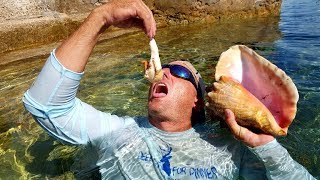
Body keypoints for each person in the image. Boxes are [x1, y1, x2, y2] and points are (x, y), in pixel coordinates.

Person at [22, 0, 315, 179]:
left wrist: (265, 146)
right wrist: (100, 18)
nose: (163, 72)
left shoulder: (229, 149)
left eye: (179, 71)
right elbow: (45, 105)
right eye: (162, 69)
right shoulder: (119, 133)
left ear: (198, 102)